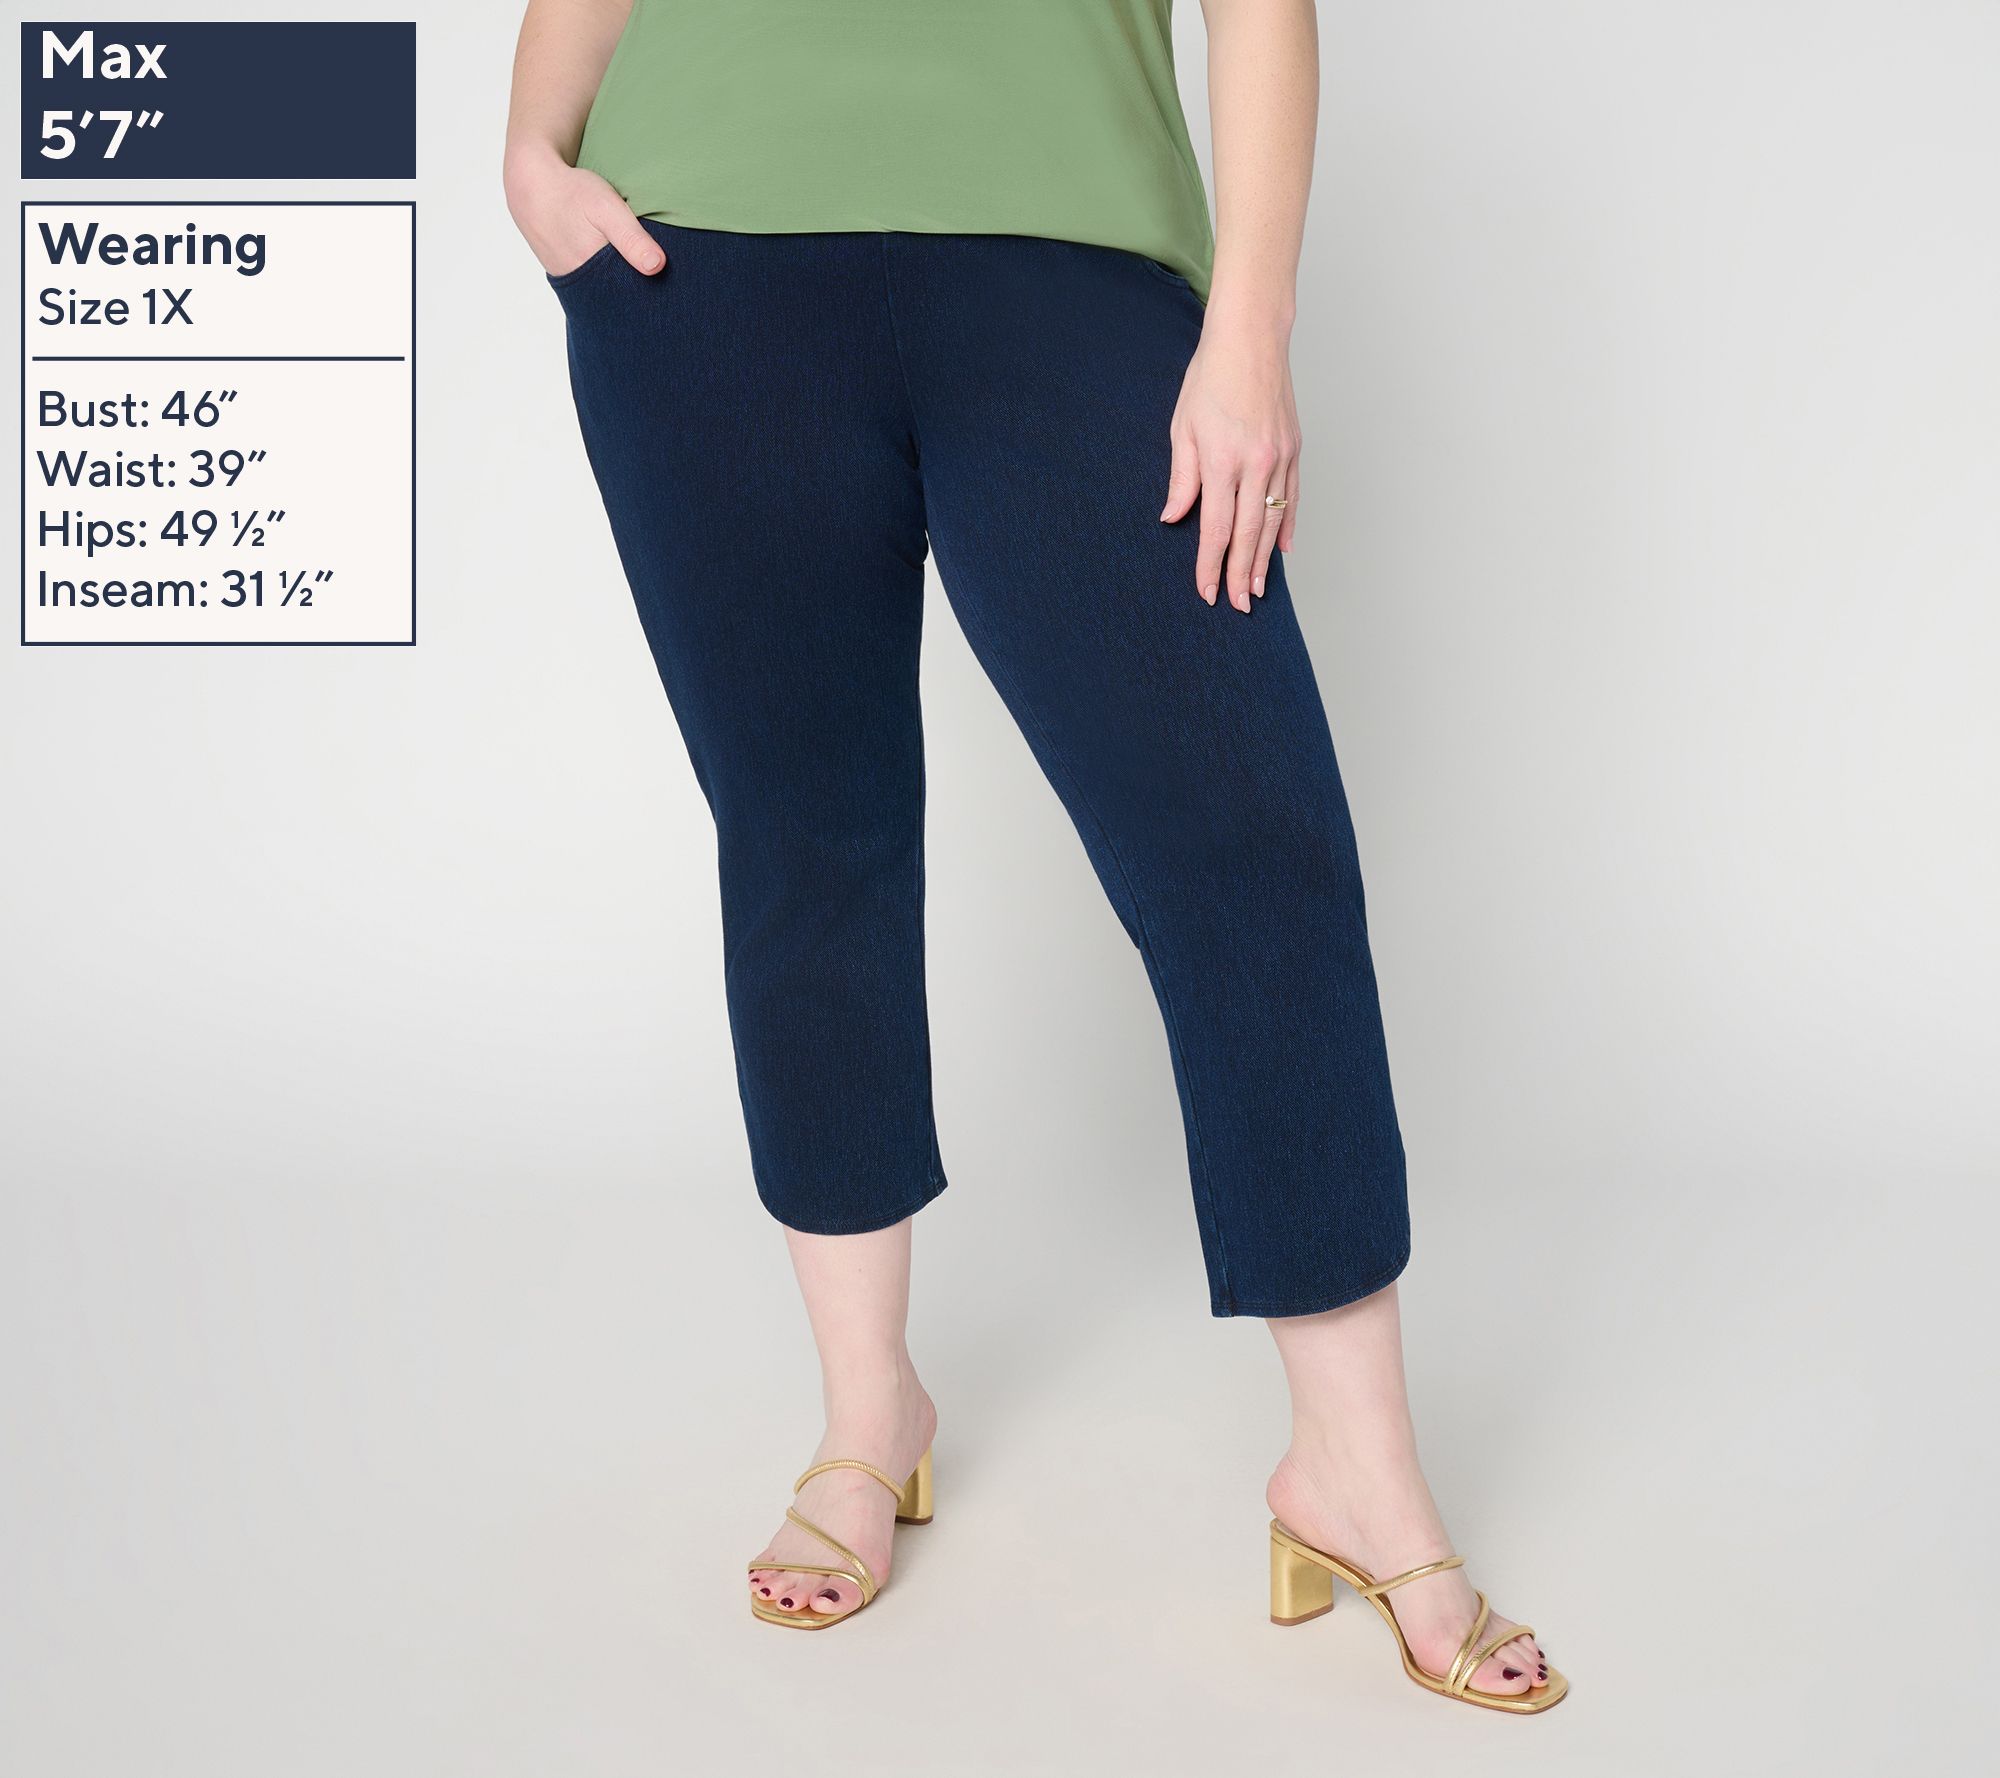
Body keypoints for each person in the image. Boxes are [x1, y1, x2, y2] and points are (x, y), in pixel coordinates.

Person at [505, 0, 1562, 1711]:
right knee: (806, 836)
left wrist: (1249, 328)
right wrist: (531, 155)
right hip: (702, 263)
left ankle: (1357, 1470)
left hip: (1072, 254)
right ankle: (869, 1416)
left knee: (1247, 837)